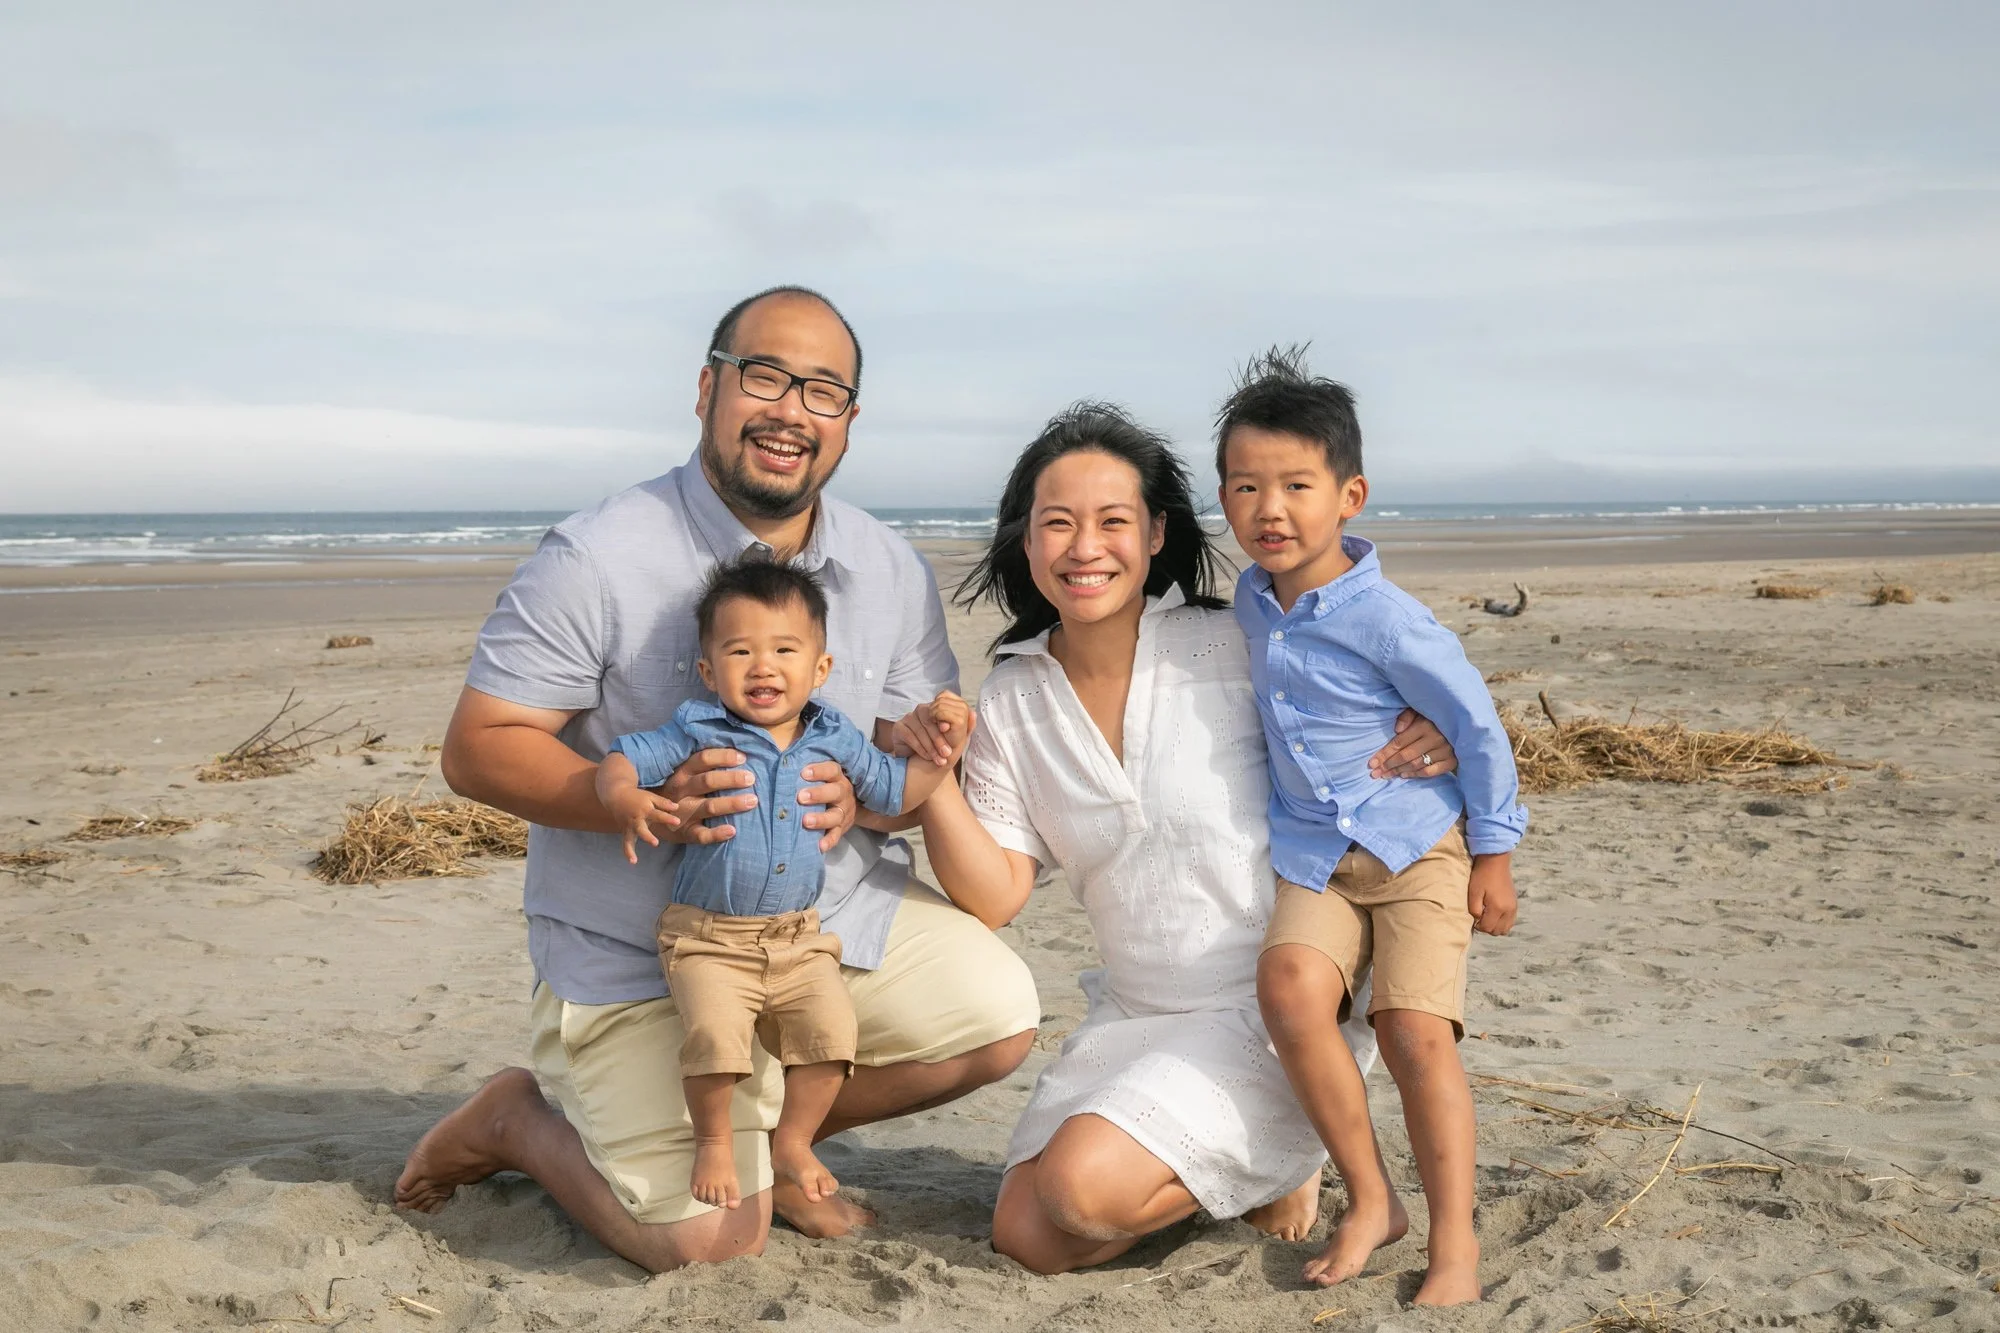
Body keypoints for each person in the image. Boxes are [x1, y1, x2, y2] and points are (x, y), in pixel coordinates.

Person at [393, 286, 1040, 1271]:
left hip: (816, 926)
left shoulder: (887, 567)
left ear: (848, 424)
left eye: (822, 390)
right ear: (707, 387)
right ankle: (515, 1120)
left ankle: (764, 1129)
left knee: (995, 1015)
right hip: (640, 952)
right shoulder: (597, 557)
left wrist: (895, 772)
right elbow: (479, 744)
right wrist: (626, 796)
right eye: (765, 376)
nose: (790, 410)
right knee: (707, 1239)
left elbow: (902, 763)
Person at [903, 403, 1462, 1275]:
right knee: (1030, 1234)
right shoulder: (1013, 697)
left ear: (1156, 532)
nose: (1085, 547)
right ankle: (1234, 1168)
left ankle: (1292, 1147)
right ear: (1026, 539)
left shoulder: (1233, 642)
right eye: (1058, 522)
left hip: (1271, 1009)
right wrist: (933, 785)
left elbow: (1378, 667)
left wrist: (1436, 728)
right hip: (1133, 1015)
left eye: (1112, 521)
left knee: (1083, 1190)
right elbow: (996, 893)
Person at [1216, 347, 1525, 1305]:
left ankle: (1455, 1245)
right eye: (1246, 486)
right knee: (1291, 988)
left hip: (1417, 845)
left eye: (1297, 485)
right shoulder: (1250, 604)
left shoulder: (1391, 621)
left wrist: (1495, 853)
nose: (1271, 508)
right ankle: (1371, 1197)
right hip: (1317, 849)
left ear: (1349, 493)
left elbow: (1475, 725)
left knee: (1412, 1030)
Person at [595, 556, 973, 1213]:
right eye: (740, 650)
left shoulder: (835, 737)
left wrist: (941, 748)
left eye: (784, 650)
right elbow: (625, 755)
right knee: (715, 1034)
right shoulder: (697, 726)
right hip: (709, 938)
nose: (763, 666)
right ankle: (714, 1139)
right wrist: (623, 796)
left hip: (799, 936)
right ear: (711, 671)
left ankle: (793, 1140)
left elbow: (892, 787)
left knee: (831, 1031)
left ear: (819, 668)